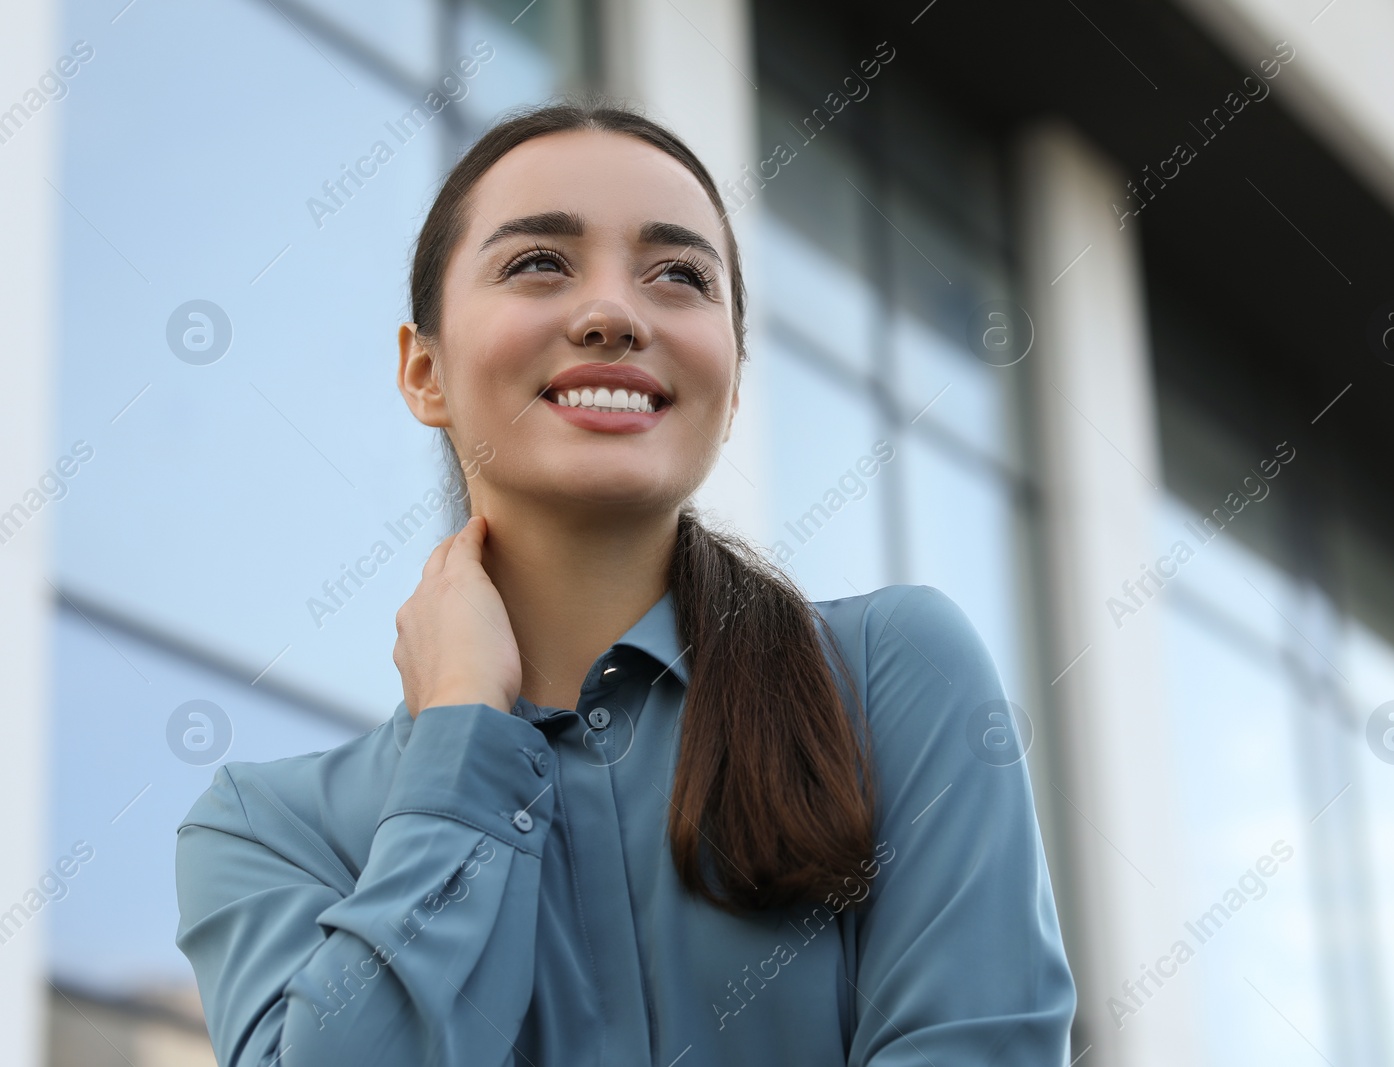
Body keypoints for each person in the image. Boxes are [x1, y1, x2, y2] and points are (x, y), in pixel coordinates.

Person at [173, 95, 1075, 1066]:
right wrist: (463, 741)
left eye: (679, 275)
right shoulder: (269, 830)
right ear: (423, 369)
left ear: (730, 384)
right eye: (538, 263)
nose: (612, 312)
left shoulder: (893, 677)